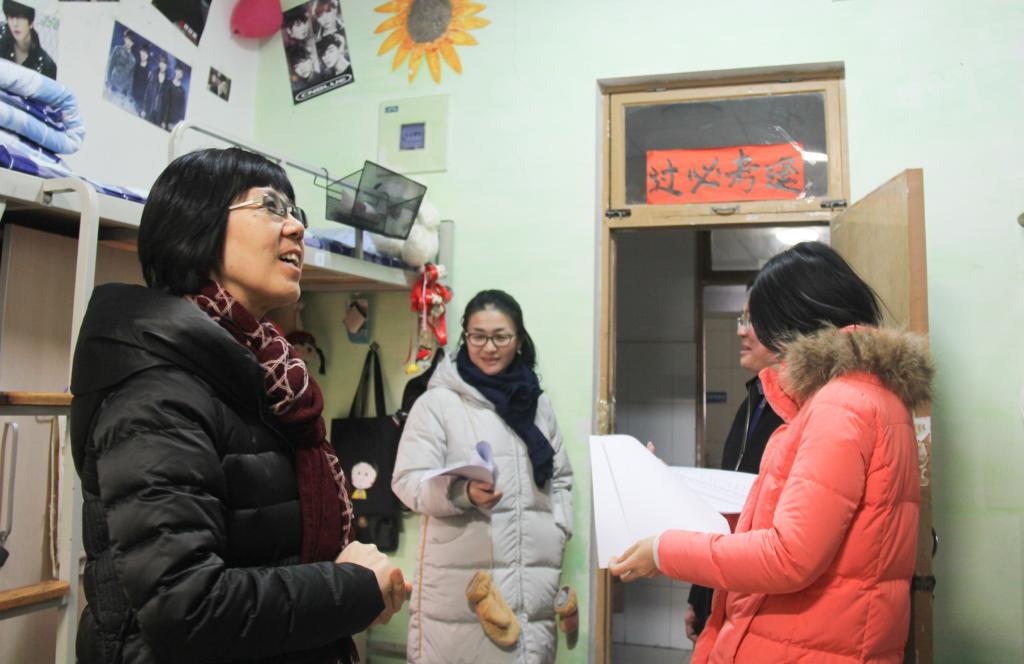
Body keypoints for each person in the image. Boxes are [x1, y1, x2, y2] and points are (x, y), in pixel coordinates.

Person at [70, 147, 411, 664]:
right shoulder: (158, 395)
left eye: (296, 211)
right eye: (271, 206)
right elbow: (187, 605)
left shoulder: (258, 378)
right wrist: (353, 588)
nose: (296, 227)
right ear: (197, 223)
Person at [610, 242, 933, 664]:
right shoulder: (870, 396)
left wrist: (663, 550)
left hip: (806, 644)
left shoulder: (841, 404)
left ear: (793, 321)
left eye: (759, 320)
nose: (750, 332)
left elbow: (788, 556)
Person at [392, 290, 574, 664]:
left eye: (500, 337)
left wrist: (559, 528)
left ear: (519, 340)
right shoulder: (438, 404)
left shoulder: (536, 403)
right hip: (464, 584)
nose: (489, 348)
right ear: (465, 337)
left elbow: (560, 478)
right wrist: (463, 493)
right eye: (478, 336)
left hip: (536, 578)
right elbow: (407, 481)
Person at [685, 294, 785, 641]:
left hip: (762, 603)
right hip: (726, 589)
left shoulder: (799, 413)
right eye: (741, 320)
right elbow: (726, 514)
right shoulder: (752, 403)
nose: (741, 331)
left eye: (751, 320)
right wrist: (700, 595)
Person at [0, 0, 56, 78]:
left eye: (20, 18)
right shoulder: (2, 39)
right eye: (11, 17)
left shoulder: (46, 65)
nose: (15, 24)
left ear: (31, 22)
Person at [106, 30, 135, 98]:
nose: (129, 42)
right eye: (128, 39)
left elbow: (130, 78)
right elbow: (110, 66)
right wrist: (108, 82)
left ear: (133, 43)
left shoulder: (133, 59)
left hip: (122, 91)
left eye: (131, 41)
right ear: (124, 39)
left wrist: (127, 91)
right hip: (112, 85)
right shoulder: (117, 49)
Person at [131, 45, 150, 113]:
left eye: (146, 53)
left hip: (141, 103)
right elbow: (132, 81)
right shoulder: (136, 66)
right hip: (132, 98)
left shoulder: (149, 71)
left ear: (148, 56)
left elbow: (148, 90)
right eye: (142, 52)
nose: (143, 55)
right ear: (140, 52)